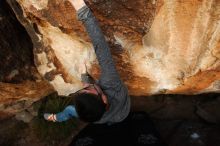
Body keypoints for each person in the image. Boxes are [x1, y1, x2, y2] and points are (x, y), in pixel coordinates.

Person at [44, 0, 166, 146]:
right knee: (72, 109)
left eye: (84, 89)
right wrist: (81, 9)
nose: (87, 85)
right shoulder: (111, 83)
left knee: (71, 110)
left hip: (103, 117)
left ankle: (56, 118)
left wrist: (85, 76)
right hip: (122, 113)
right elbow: (100, 46)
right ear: (104, 99)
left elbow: (90, 95)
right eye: (90, 88)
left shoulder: (91, 116)